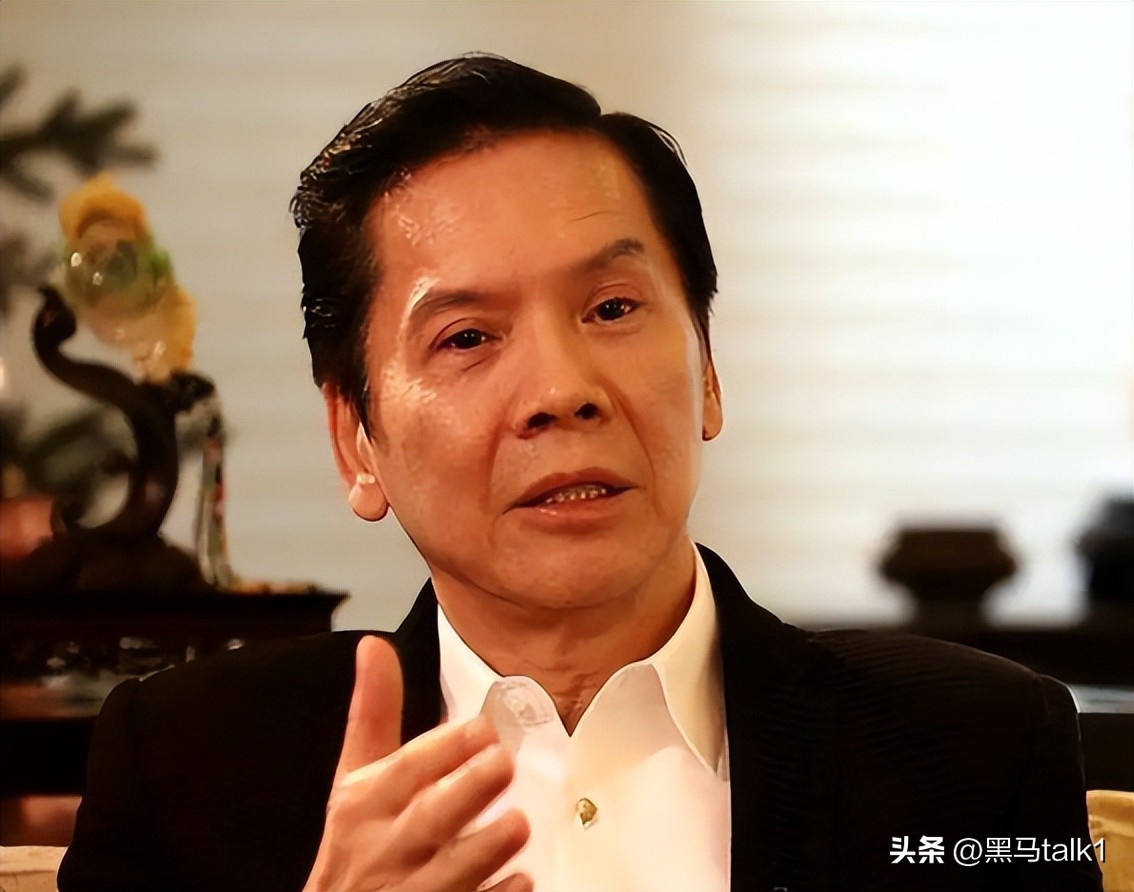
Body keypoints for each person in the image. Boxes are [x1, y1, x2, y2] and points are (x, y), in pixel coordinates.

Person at [58, 55, 1101, 892]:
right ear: (355, 439)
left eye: (612, 309)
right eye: (468, 337)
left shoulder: (977, 753)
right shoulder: (188, 769)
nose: (563, 390)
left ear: (708, 372)